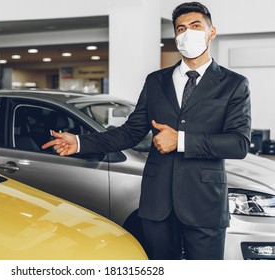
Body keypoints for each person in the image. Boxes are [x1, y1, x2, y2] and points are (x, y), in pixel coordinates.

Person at [42, 1, 251, 260]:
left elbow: (238, 143)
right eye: (181, 28)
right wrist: (81, 143)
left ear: (211, 32)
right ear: (175, 36)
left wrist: (181, 140)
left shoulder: (233, 84)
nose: (188, 33)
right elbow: (130, 132)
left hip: (204, 203)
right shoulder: (156, 81)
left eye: (196, 26)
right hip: (157, 202)